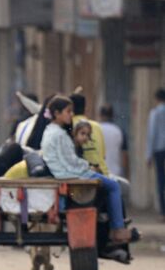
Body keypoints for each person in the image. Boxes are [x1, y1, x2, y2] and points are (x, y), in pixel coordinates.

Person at [41, 96, 132, 244]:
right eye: (68, 111)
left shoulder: (50, 131)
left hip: (64, 172)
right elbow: (70, 161)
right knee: (114, 185)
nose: (71, 115)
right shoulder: (59, 134)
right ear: (57, 114)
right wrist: (87, 166)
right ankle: (117, 229)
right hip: (69, 174)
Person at [70, 94, 108, 175]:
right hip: (103, 173)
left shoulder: (68, 126)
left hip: (88, 176)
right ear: (85, 109)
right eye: (82, 133)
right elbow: (103, 156)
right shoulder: (97, 126)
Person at [147, 89, 165, 222]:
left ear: (157, 99)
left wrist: (148, 154)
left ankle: (163, 213)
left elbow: (152, 133)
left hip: (159, 149)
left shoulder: (155, 112)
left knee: (160, 180)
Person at [99, 104, 129, 178]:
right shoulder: (119, 131)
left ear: (100, 115)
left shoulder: (96, 130)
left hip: (99, 173)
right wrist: (127, 176)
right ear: (113, 115)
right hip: (115, 174)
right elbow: (125, 156)